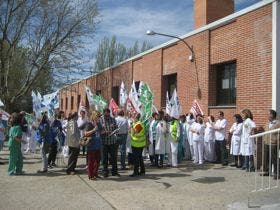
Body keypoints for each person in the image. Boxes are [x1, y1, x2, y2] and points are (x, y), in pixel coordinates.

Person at [99, 108, 120, 177]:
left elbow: (116, 127)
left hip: (112, 141)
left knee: (114, 158)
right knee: (104, 158)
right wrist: (104, 132)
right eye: (106, 115)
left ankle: (114, 172)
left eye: (108, 114)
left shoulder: (113, 119)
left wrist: (116, 130)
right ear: (103, 113)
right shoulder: (100, 120)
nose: (107, 116)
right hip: (104, 142)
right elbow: (98, 131)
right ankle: (105, 172)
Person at [262, 110, 280, 179]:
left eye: (269, 114)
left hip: (273, 143)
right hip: (266, 142)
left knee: (274, 159)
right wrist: (264, 140)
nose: (268, 115)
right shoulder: (267, 123)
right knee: (266, 158)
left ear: (272, 115)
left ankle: (276, 173)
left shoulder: (278, 123)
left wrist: (277, 141)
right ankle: (266, 171)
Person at [84, 112, 102, 180]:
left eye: (99, 117)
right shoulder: (89, 124)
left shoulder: (98, 124)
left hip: (98, 144)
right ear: (94, 116)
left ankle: (95, 173)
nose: (99, 118)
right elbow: (86, 133)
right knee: (91, 161)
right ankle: (90, 175)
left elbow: (100, 131)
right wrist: (93, 130)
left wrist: (104, 131)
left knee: (98, 160)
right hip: (91, 144)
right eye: (98, 116)